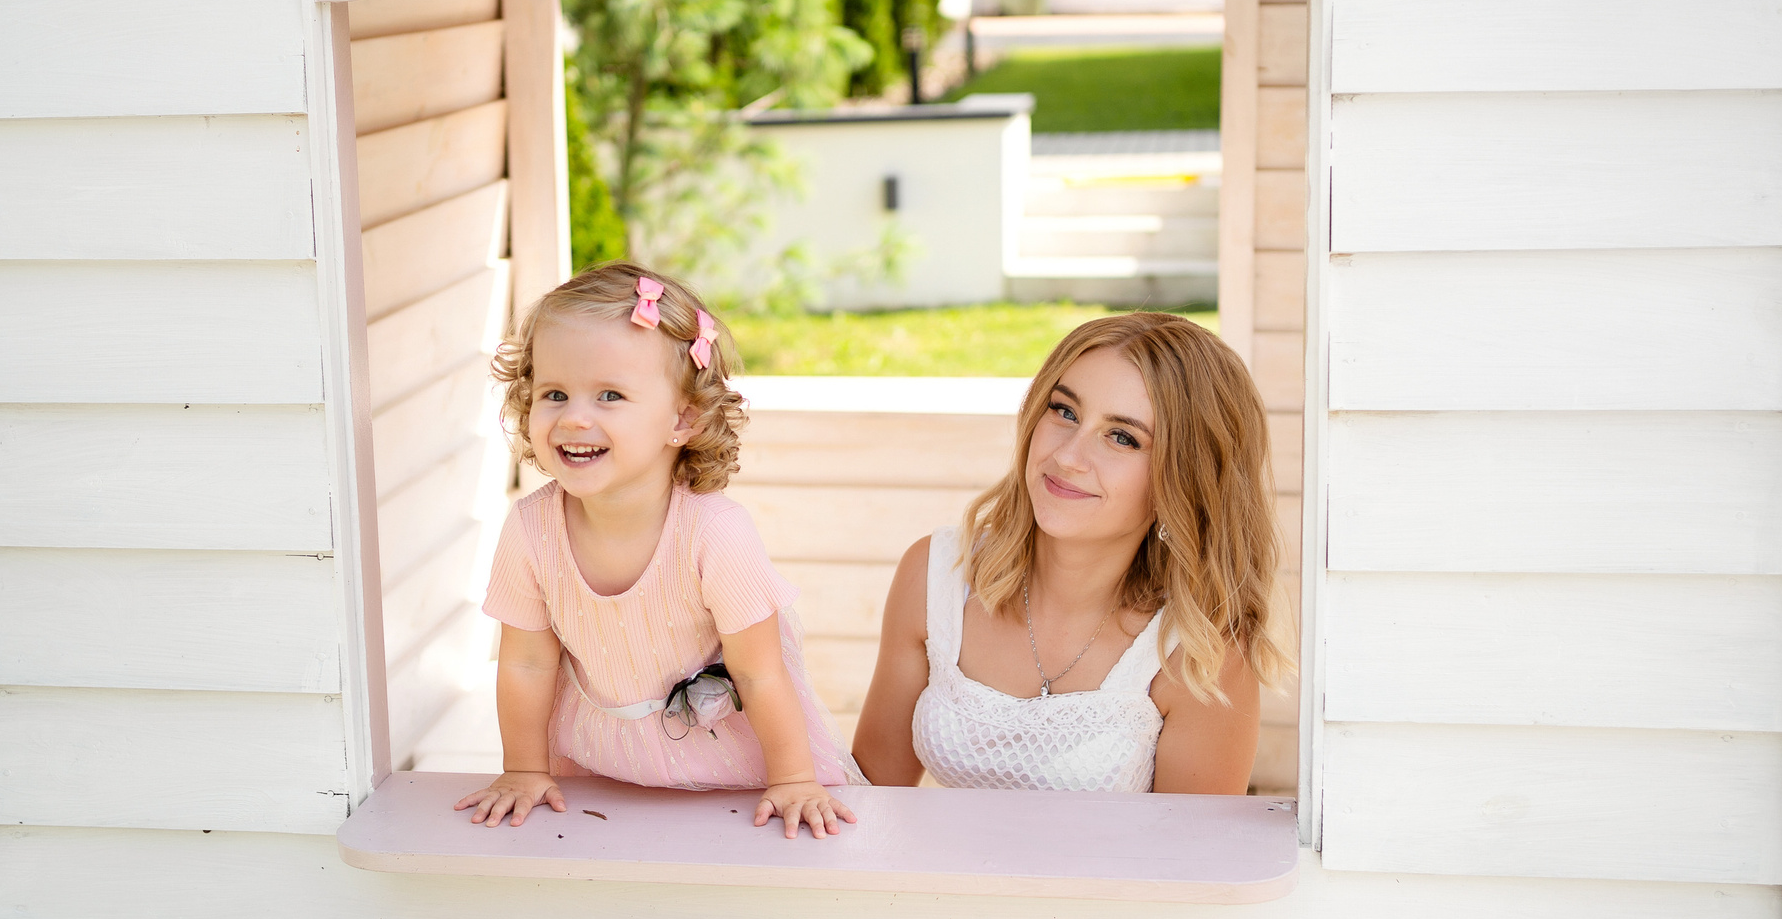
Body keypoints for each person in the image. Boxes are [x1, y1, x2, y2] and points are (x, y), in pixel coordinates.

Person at [456, 262, 860, 838]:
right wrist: (523, 768)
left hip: (729, 761)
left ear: (684, 418)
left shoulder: (714, 533)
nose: (575, 417)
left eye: (610, 395)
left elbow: (761, 671)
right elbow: (525, 661)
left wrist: (792, 778)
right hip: (602, 757)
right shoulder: (530, 529)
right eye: (554, 393)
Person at [852, 313, 1287, 794]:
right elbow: (873, 795)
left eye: (1123, 437)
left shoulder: (1201, 651)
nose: (1067, 457)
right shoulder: (937, 574)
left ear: (1184, 481)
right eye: (1064, 411)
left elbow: (1192, 862)